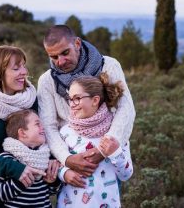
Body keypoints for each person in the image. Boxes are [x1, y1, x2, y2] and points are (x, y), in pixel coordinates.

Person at [38, 25, 135, 185]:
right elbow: (48, 126)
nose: (60, 62)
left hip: (109, 158)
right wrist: (67, 159)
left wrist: (104, 150)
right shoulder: (47, 81)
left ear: (77, 43)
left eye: (65, 53)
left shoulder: (108, 65)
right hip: (72, 168)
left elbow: (126, 109)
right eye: (53, 57)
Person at [0, 45, 57, 208]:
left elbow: (44, 136)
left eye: (23, 66)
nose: (24, 72)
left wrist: (52, 163)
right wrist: (15, 169)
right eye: (16, 68)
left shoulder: (32, 100)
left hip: (30, 197)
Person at [57, 73, 133, 207]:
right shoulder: (65, 132)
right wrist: (64, 173)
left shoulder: (115, 131)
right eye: (70, 99)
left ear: (95, 100)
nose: (72, 104)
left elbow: (126, 175)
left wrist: (115, 153)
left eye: (77, 98)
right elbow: (55, 165)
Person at [0, 109, 60, 207]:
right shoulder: (6, 159)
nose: (43, 127)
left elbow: (49, 192)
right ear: (23, 133)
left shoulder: (44, 157)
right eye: (38, 124)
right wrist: (19, 183)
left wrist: (52, 182)